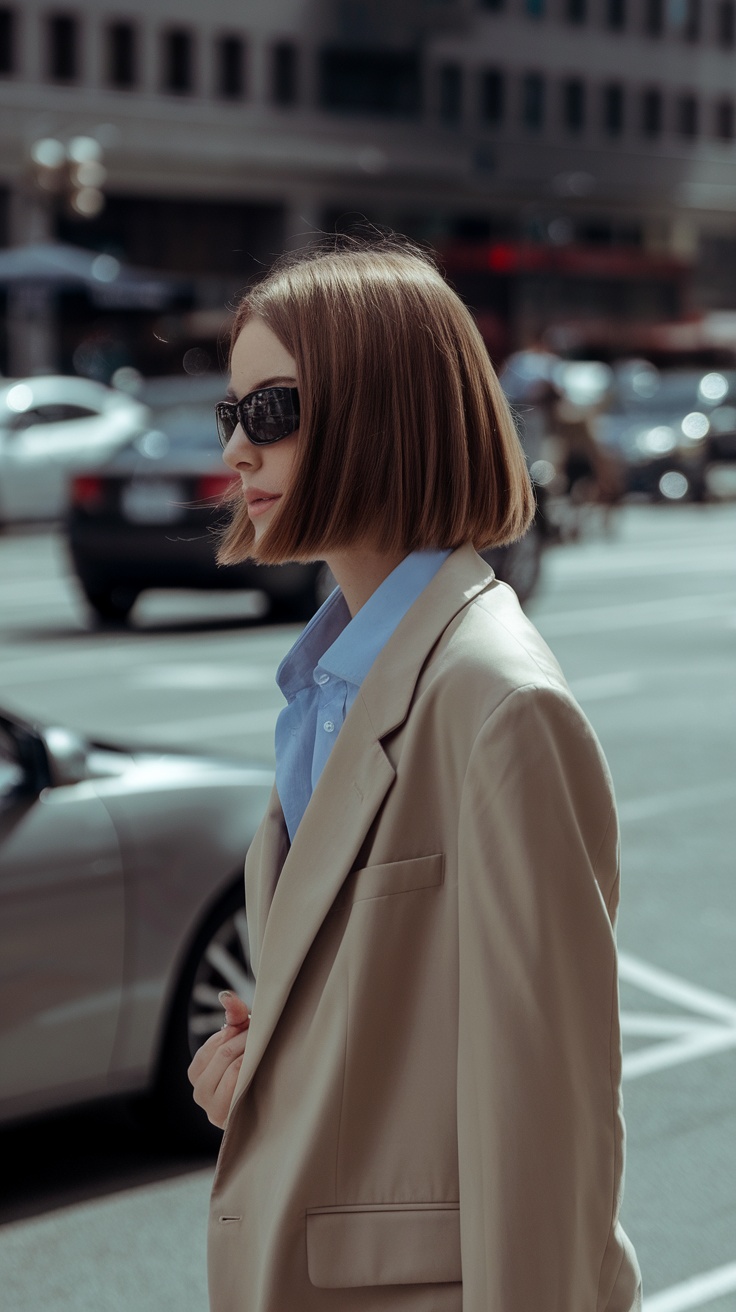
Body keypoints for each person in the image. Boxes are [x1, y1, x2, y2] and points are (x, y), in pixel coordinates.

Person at [187, 237, 641, 1312]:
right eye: (231, 414)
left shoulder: (497, 702)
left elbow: (547, 1120)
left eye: (272, 412)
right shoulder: (328, 686)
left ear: (380, 410)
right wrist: (268, 1074)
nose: (239, 454)